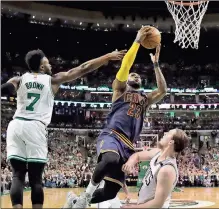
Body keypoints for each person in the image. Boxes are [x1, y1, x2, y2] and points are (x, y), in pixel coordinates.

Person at [1, 48, 125, 209]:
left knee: (17, 175)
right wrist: (107, 56)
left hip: (15, 125)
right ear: (41, 66)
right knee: (36, 179)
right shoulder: (52, 80)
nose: (50, 64)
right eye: (47, 62)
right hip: (35, 127)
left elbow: (4, 89)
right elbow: (82, 69)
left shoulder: (18, 80)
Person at [64, 26, 167, 208]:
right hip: (112, 135)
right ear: (126, 79)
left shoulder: (145, 98)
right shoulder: (119, 89)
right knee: (110, 159)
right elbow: (126, 65)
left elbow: (162, 90)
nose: (134, 75)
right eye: (131, 75)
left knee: (110, 192)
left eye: (138, 76)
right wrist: (136, 41)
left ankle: (73, 200)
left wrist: (156, 64)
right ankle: (84, 198)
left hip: (128, 145)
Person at [122, 129, 189, 208]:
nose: (164, 134)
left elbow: (157, 204)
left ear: (171, 142)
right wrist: (130, 163)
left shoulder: (167, 169)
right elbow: (137, 156)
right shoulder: (157, 153)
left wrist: (131, 207)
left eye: (168, 133)